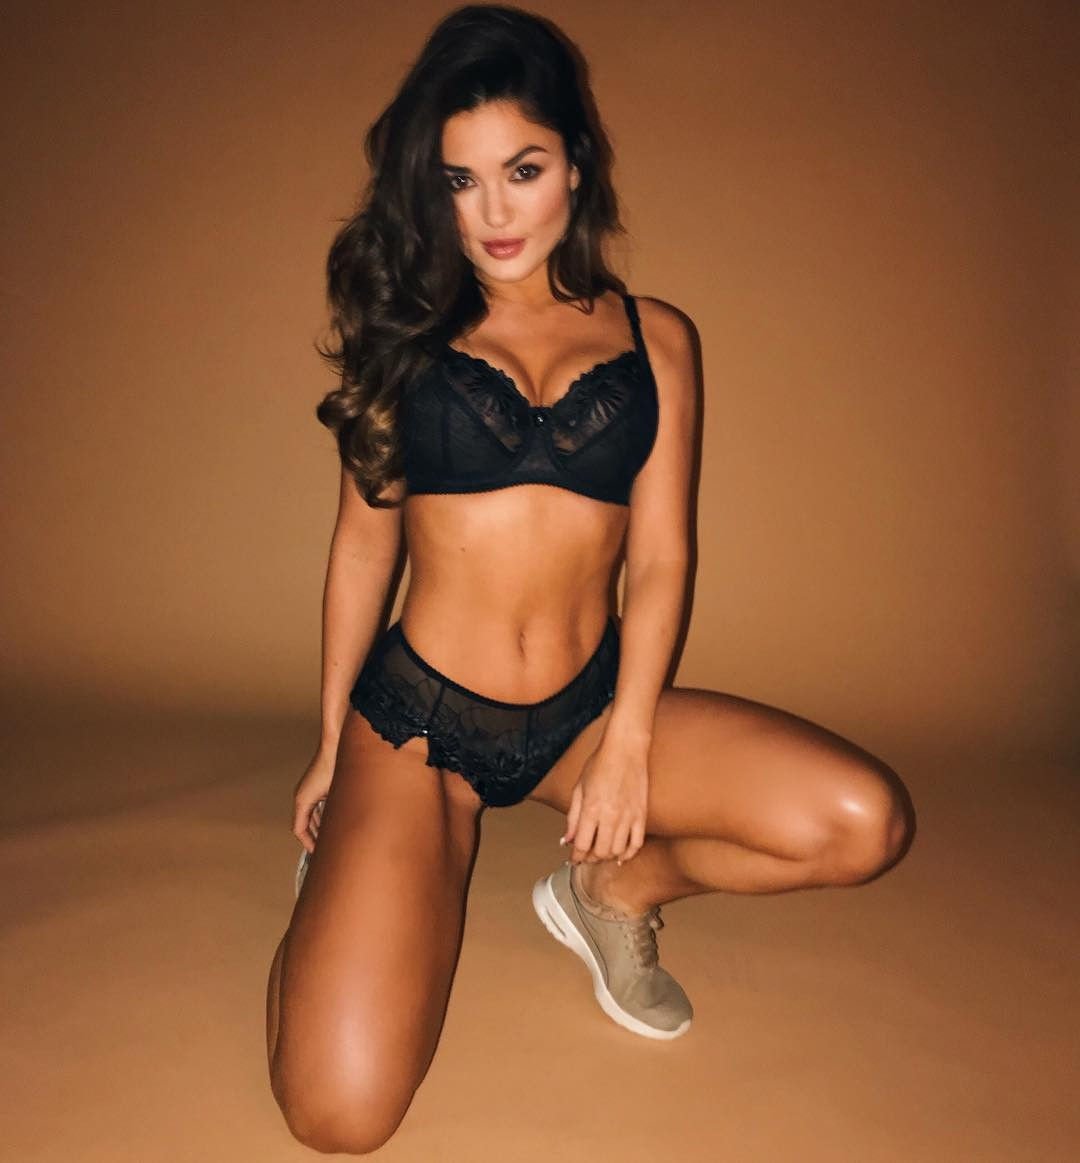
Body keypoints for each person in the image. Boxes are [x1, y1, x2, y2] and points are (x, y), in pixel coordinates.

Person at [265, 3, 914, 1154]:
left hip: (586, 715)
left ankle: (612, 893)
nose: (493, 212)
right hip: (420, 726)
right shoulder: (408, 336)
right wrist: (330, 746)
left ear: (575, 161)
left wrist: (628, 742)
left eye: (521, 169)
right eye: (460, 181)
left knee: (862, 822)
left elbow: (661, 557)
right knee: (338, 1112)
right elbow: (364, 544)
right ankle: (345, 879)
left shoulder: (657, 339)